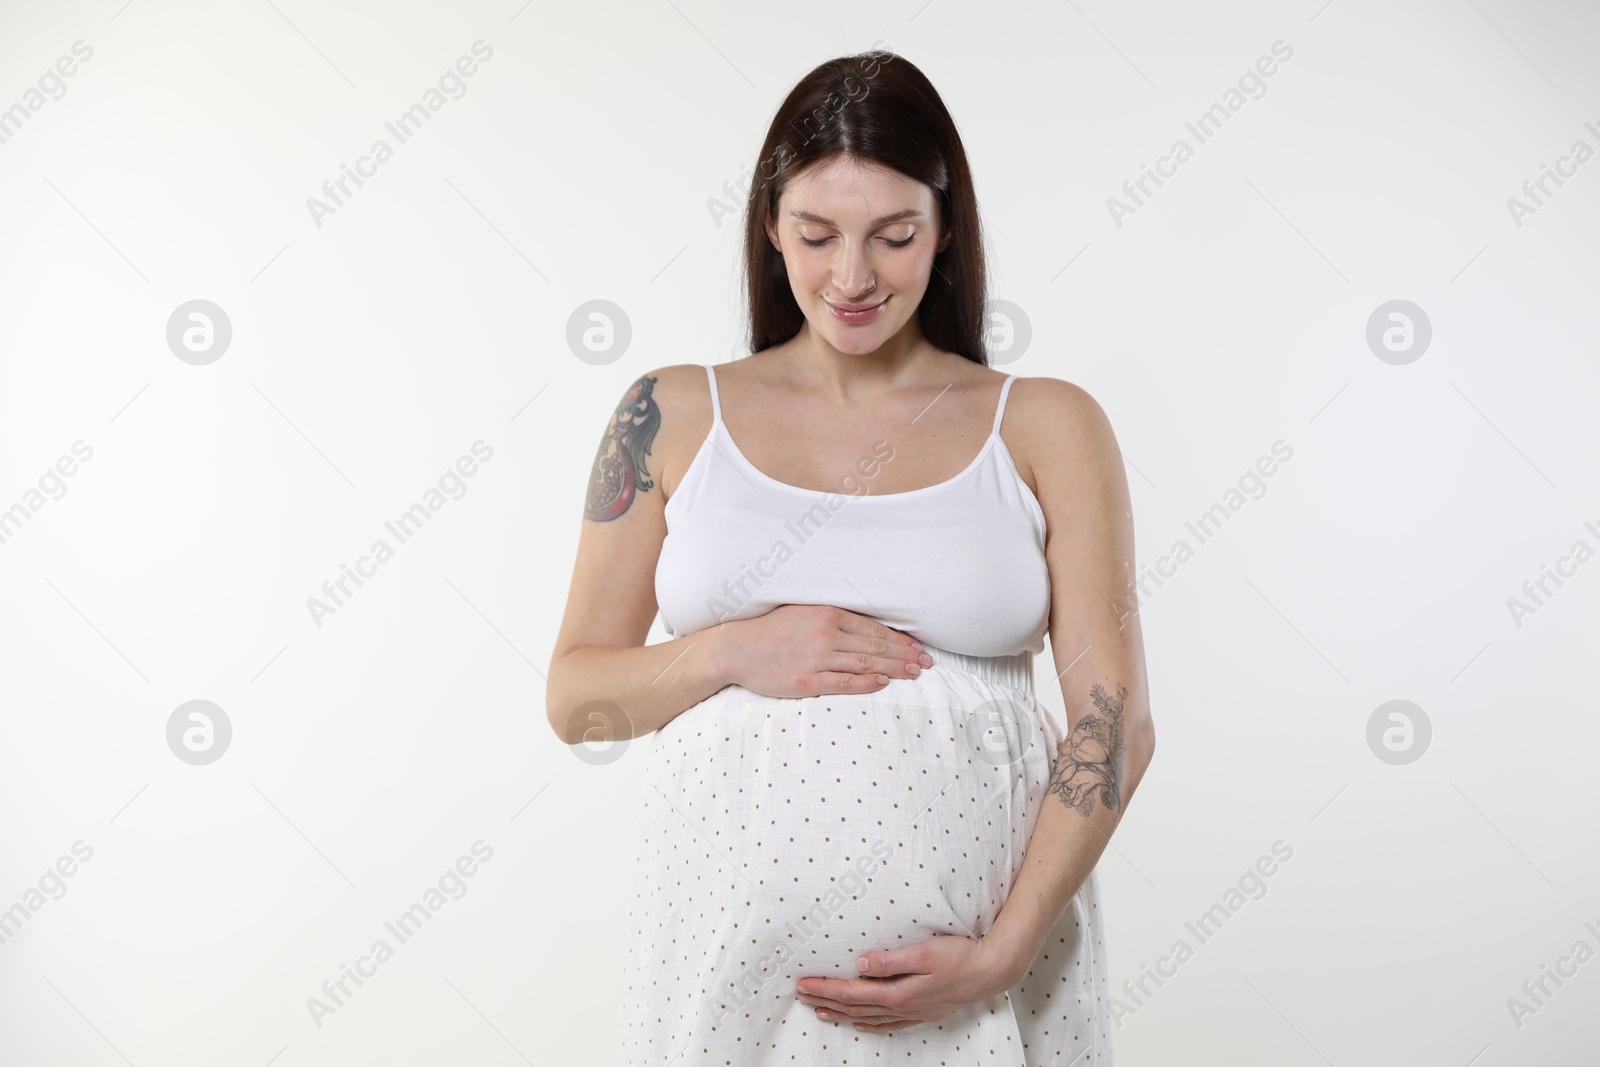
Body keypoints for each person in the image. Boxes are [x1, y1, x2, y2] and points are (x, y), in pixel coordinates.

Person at [547, 48, 1155, 1066]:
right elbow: (577, 699)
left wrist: (1004, 951)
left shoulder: (1046, 423)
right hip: (723, 972)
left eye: (894, 235)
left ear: (946, 227)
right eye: (817, 234)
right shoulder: (669, 413)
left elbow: (1116, 719)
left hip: (979, 985)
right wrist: (732, 651)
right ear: (769, 229)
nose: (853, 276)